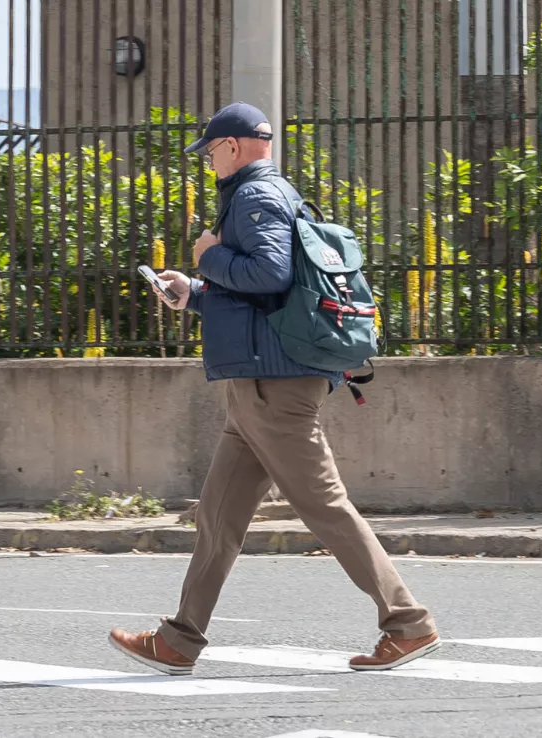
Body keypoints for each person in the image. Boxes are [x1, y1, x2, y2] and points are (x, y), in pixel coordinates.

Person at [108, 102, 439, 675]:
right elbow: (268, 294)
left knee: (325, 506)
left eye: (210, 152)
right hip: (258, 385)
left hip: (274, 386)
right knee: (218, 516)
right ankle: (180, 640)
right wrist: (196, 292)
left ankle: (408, 623)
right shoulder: (268, 195)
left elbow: (271, 272)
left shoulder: (256, 196)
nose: (208, 162)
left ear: (233, 147)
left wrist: (208, 259)